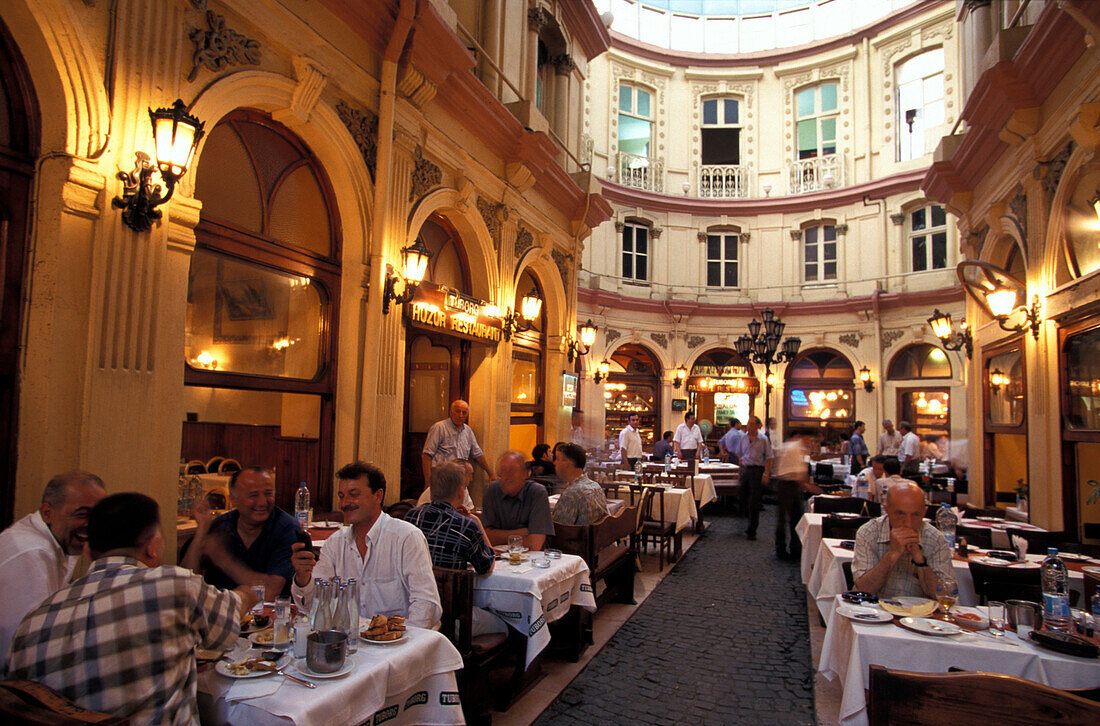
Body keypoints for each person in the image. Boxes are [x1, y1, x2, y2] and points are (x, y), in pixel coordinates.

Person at [7, 492, 254, 725]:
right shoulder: (173, 586)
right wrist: (246, 593)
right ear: (152, 547)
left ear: (88, 550)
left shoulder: (32, 622)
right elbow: (228, 628)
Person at [291, 462, 440, 628]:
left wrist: (402, 643)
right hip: (349, 642)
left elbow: (426, 604)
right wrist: (303, 579)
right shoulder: (335, 544)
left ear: (378, 496)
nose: (345, 503)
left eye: (353, 495)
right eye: (341, 496)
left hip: (398, 643)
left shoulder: (406, 538)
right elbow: (313, 606)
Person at [0, 471, 107, 663]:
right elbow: (25, 644)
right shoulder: (32, 553)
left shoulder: (56, 543)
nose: (91, 526)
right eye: (82, 515)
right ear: (47, 513)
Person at [406, 463, 506, 637]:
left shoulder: (412, 516)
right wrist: (475, 521)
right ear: (461, 492)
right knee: (506, 622)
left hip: (412, 611)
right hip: (452, 619)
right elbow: (487, 566)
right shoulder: (466, 526)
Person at [182, 466, 301, 598]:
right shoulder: (221, 525)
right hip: (220, 612)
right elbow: (185, 585)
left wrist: (223, 559)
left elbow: (270, 592)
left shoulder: (286, 529)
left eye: (268, 494)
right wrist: (202, 531)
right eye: (253, 495)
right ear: (233, 499)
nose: (262, 502)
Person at [852, 481, 952, 599]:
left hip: (919, 614)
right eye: (900, 514)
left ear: (924, 513)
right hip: (874, 611)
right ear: (886, 510)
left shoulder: (936, 540)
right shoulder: (869, 533)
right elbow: (864, 590)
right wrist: (892, 554)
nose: (908, 523)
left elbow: (946, 596)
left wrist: (920, 561)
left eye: (915, 515)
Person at [481, 451, 555, 550]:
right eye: (502, 471)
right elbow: (485, 537)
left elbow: (534, 544)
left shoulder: (537, 492)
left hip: (532, 560)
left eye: (512, 471)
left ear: (525, 474)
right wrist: (522, 533)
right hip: (499, 558)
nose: (506, 477)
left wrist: (498, 535)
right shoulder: (493, 490)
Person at [772, 429, 823, 561]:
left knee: (792, 518)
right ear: (803, 437)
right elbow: (798, 472)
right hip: (788, 484)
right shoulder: (794, 449)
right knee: (790, 518)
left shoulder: (794, 447)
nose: (811, 443)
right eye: (810, 440)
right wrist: (809, 487)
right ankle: (786, 550)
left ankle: (791, 548)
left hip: (788, 484)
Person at [421, 399, 495, 486]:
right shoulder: (439, 428)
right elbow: (426, 455)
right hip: (442, 477)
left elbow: (478, 454)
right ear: (451, 412)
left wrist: (491, 474)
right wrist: (428, 481)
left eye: (464, 413)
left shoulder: (468, 431)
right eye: (458, 411)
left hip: (461, 478)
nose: (460, 415)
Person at [734, 416, 773, 541]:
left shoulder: (763, 439)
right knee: (742, 496)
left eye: (752, 424)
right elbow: (739, 453)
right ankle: (743, 523)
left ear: (757, 425)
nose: (749, 426)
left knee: (754, 501)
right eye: (748, 424)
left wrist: (766, 473)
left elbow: (769, 457)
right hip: (746, 469)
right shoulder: (743, 438)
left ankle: (752, 529)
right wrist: (740, 469)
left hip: (757, 470)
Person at [552, 443, 608, 526]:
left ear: (567, 462)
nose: (554, 463)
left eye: (557, 459)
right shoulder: (595, 486)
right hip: (595, 537)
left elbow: (558, 529)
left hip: (577, 538)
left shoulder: (571, 494)